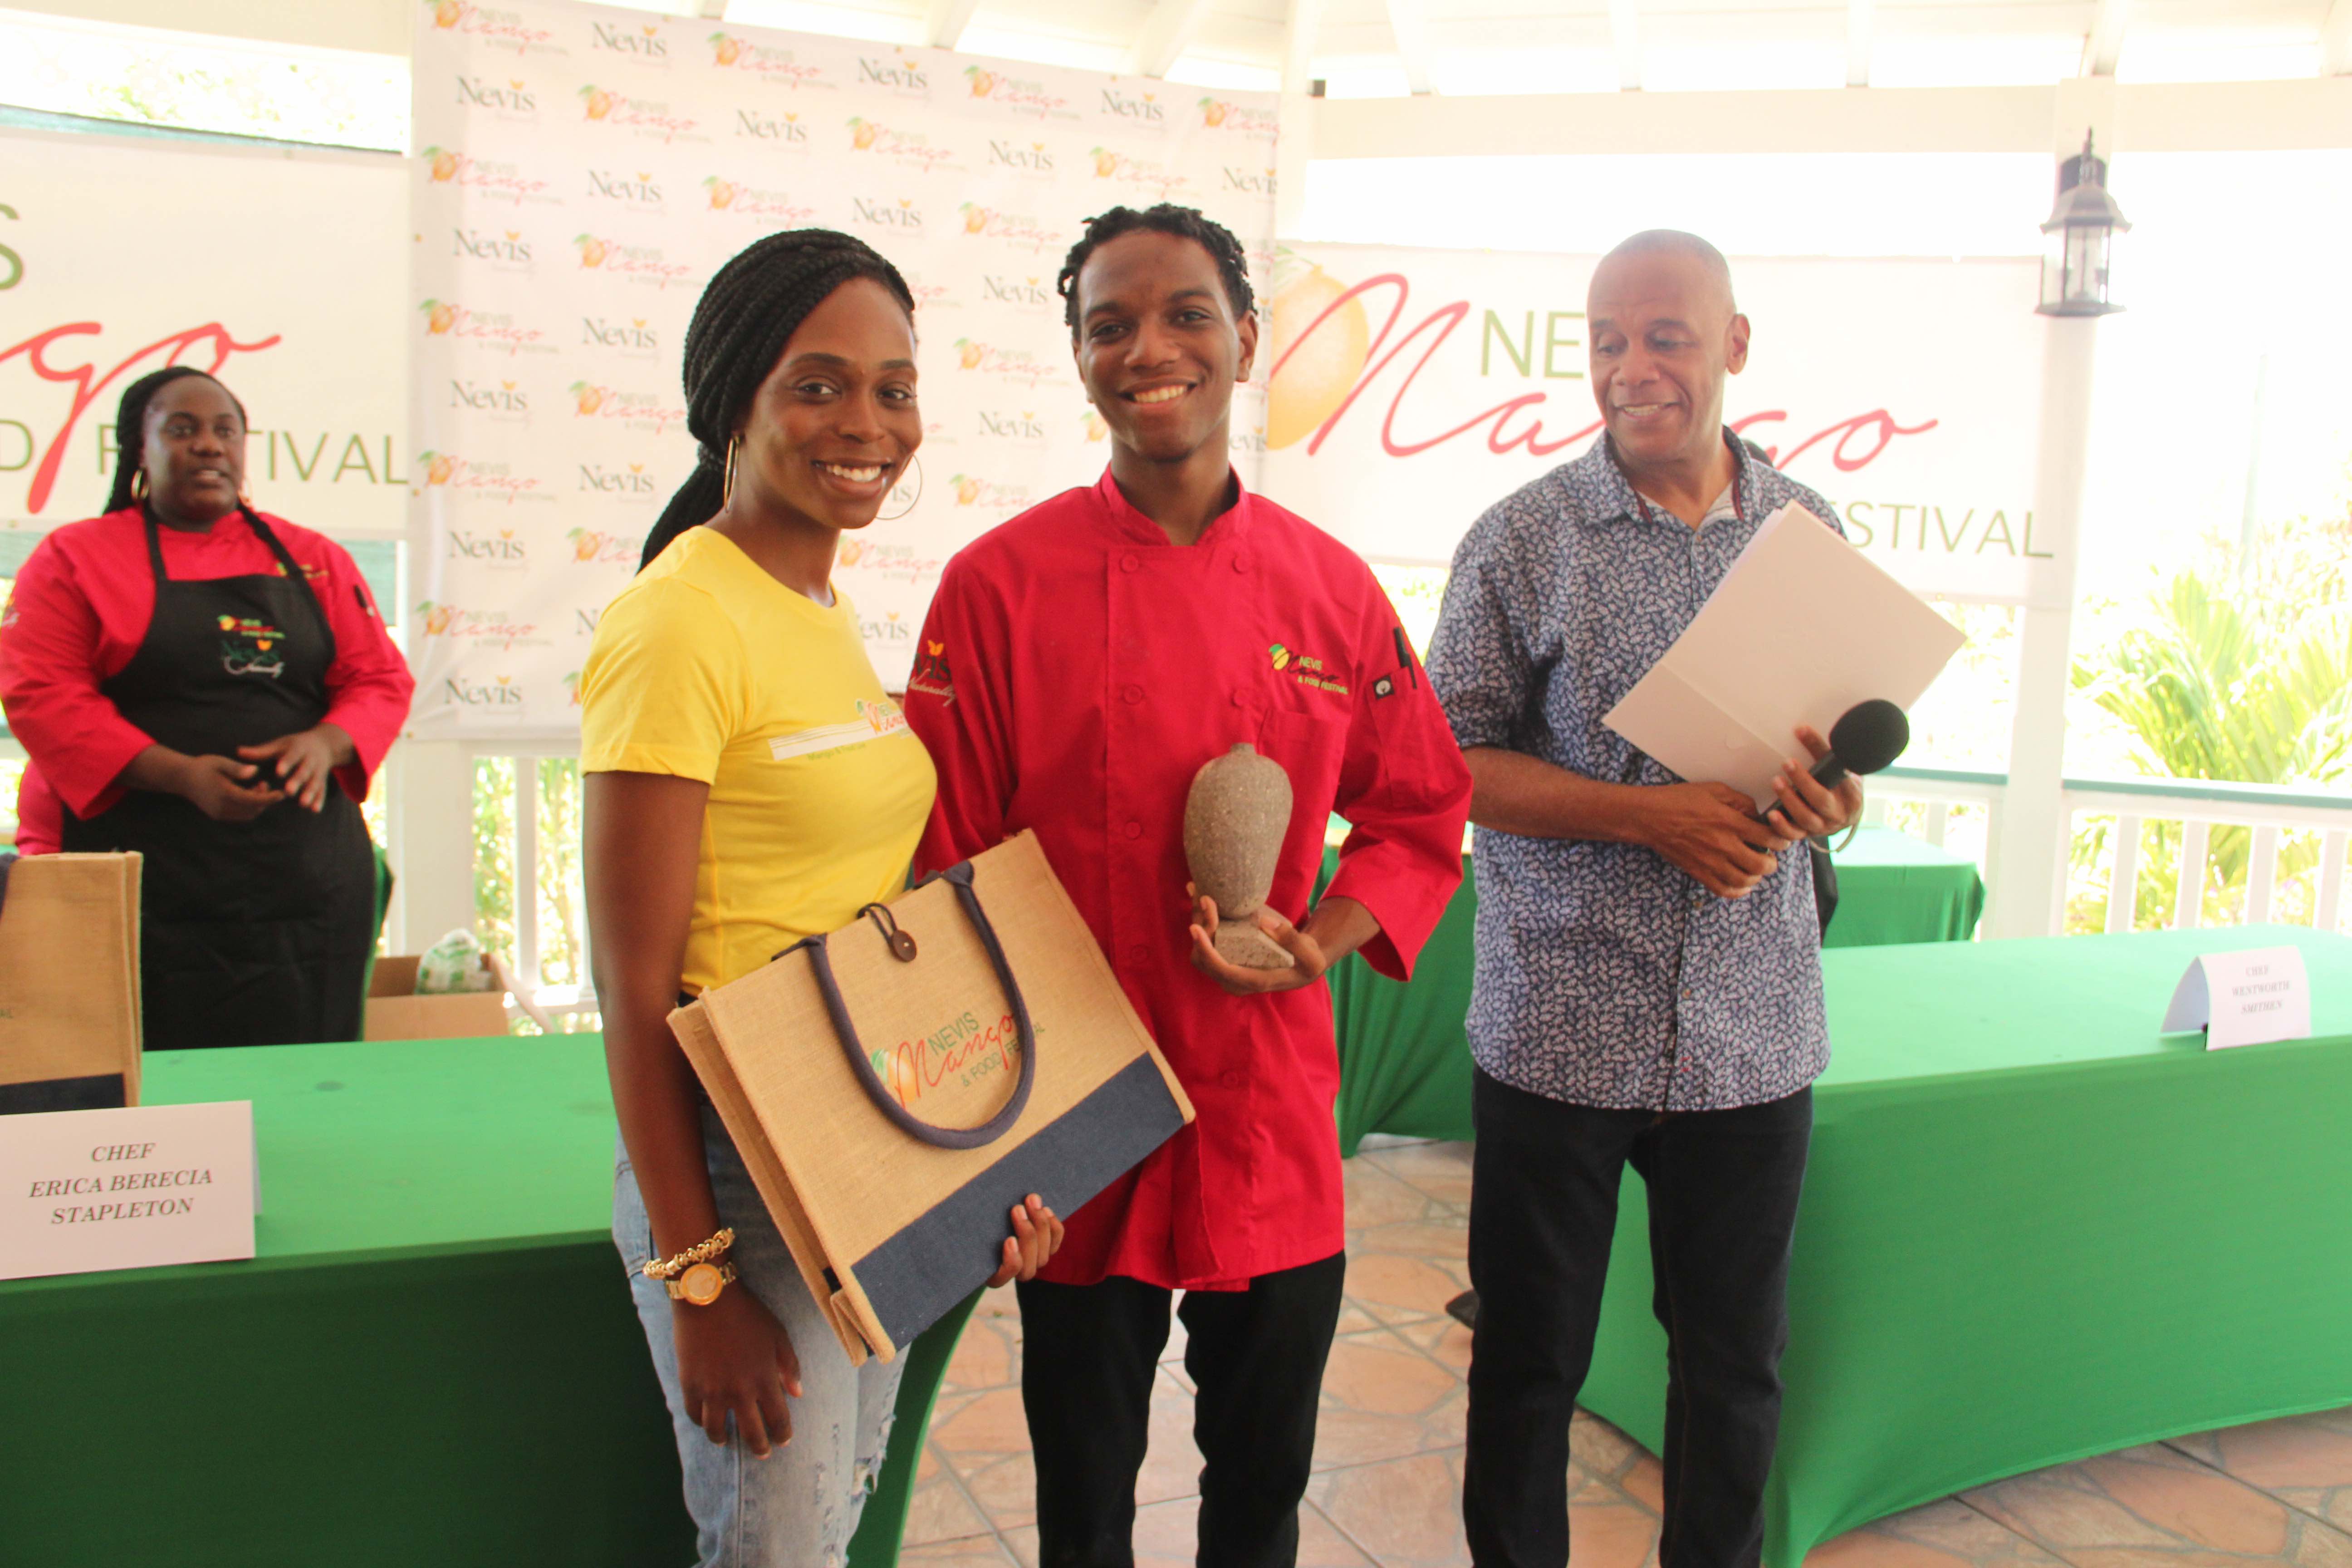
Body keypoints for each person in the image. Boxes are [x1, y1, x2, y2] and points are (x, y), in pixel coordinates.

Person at [903, 204, 1473, 1568]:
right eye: (1112, 324)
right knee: (1084, 1494)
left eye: (1185, 315)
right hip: (1071, 1122)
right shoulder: (995, 590)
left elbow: (1419, 810)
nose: (1148, 348)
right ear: (1081, 358)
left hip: (1265, 1114)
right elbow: (942, 874)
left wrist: (1319, 940)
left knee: (1261, 1487)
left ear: (1246, 340)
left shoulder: (1331, 591)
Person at [578, 230, 1064, 1568]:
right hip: (739, 1171)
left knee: (836, 1527)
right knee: (775, 1549)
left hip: (854, 1141)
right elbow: (631, 986)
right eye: (821, 384)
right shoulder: (680, 622)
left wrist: (968, 1166)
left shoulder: (819, 608)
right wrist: (699, 1276)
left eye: (895, 390)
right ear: (733, 399)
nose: (867, 425)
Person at [1423, 230, 1863, 1568]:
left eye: (1665, 337)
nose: (1631, 368)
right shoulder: (1522, 541)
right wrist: (1646, 817)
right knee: (1527, 1366)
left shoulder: (1810, 534)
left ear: (1734, 344)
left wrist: (1834, 803)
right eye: (1606, 341)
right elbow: (1445, 768)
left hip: (1753, 1034)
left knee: (1734, 1374)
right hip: (1562, 1023)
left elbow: (1831, 754)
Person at [0, 367, 413, 1048]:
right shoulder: (74, 559)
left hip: (302, 887)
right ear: (139, 447)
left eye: (226, 430)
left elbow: (379, 679)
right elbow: (42, 694)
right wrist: (179, 775)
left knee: (305, 1079)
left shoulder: (315, 560)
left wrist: (327, 742)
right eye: (183, 429)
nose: (210, 446)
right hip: (139, 878)